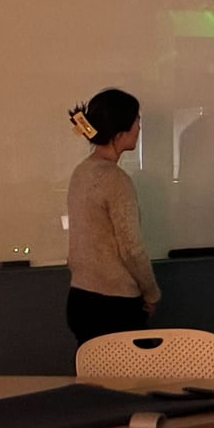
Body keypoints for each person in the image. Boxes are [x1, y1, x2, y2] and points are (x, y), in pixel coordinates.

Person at [66, 88, 161, 346]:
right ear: (120, 134)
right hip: (114, 307)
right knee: (128, 384)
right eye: (136, 121)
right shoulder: (116, 180)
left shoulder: (81, 172)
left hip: (80, 300)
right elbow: (131, 248)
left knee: (91, 380)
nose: (139, 127)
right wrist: (151, 294)